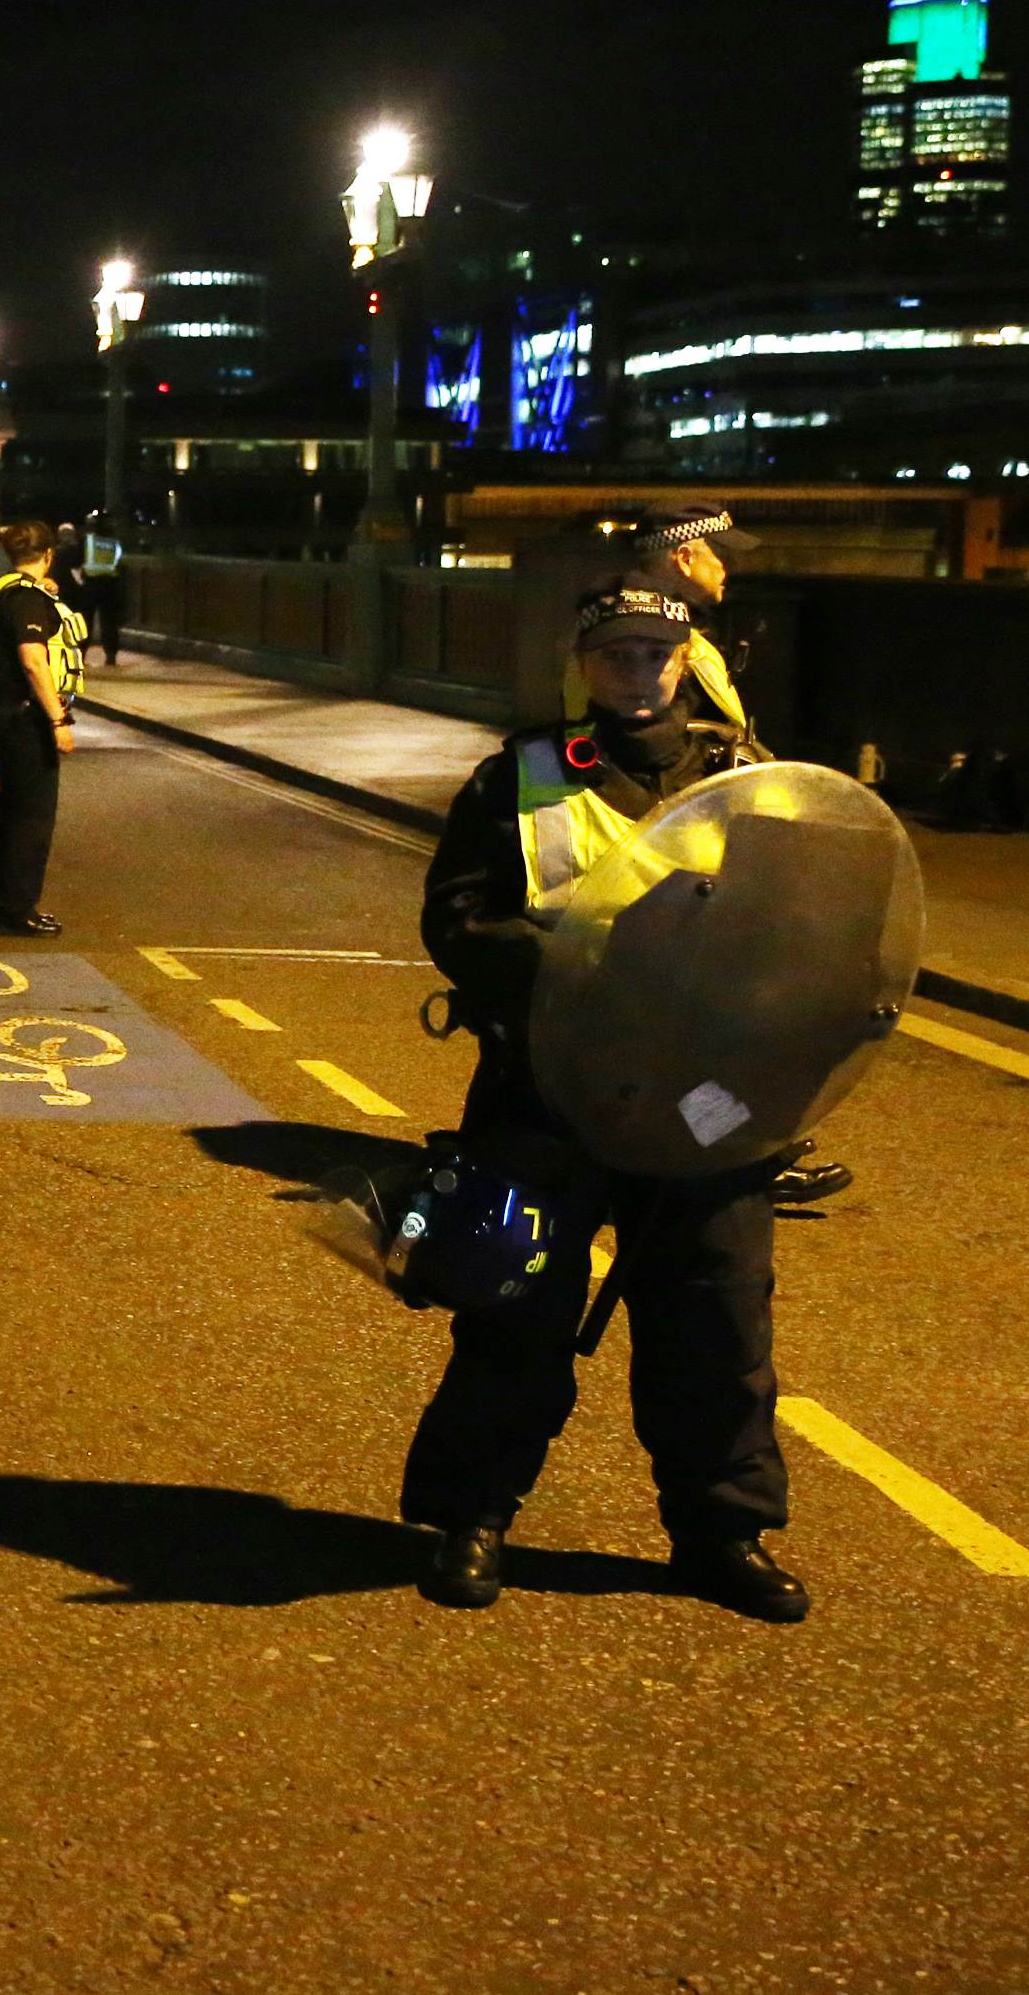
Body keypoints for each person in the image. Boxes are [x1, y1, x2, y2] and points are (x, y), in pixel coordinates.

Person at [402, 569, 809, 1624]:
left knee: (714, 1321)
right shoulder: (518, 777)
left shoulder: (749, 778)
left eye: (654, 653)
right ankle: (471, 1514)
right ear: (581, 665)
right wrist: (590, 973)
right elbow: (455, 918)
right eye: (614, 653)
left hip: (703, 1098)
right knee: (511, 1307)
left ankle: (721, 1530)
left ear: (686, 662)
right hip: (548, 1089)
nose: (636, 673)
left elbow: (801, 936)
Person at [558, 506, 848, 1211]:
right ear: (685, 557)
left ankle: (744, 1146)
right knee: (689, 1036)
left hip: (682, 848)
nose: (729, 567)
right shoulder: (647, 639)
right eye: (721, 554)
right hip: (660, 856)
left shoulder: (662, 635)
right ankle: (717, 1152)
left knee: (716, 1038)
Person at [0, 520, 84, 936]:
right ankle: (17, 911)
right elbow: (34, 660)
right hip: (24, 716)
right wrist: (58, 719)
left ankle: (9, 906)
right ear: (49, 554)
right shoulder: (27, 600)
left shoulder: (6, 591)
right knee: (31, 818)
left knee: (14, 812)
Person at [76, 518, 126, 666]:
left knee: (85, 621)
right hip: (110, 585)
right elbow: (119, 564)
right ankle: (111, 655)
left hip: (90, 585)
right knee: (109, 622)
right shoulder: (114, 544)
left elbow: (78, 559)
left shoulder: (88, 541)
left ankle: (81, 654)